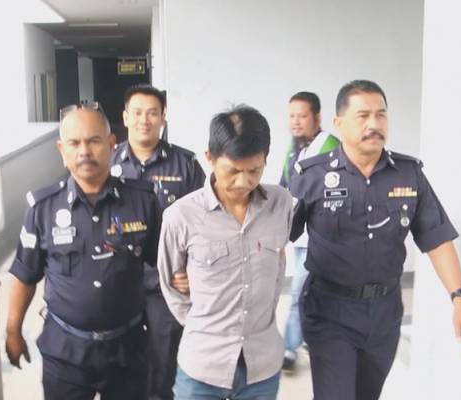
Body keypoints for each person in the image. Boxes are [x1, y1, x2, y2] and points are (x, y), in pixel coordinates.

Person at [290, 80, 461, 400]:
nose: (374, 124)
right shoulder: (313, 175)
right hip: (329, 311)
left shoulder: (408, 174)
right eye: (363, 115)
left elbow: (436, 238)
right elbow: (276, 235)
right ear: (338, 123)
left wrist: (460, 299)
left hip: (385, 313)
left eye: (381, 115)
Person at [5, 103, 161, 399]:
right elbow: (25, 275)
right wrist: (13, 331)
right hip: (65, 353)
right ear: (61, 150)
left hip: (128, 350)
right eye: (74, 143)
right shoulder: (42, 209)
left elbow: (165, 265)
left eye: (93, 141)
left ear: (112, 144)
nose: (84, 151)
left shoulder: (143, 201)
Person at [157, 105, 292, 400]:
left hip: (262, 367)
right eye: (232, 171)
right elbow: (170, 286)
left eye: (254, 171)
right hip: (203, 369)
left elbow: (278, 267)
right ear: (210, 157)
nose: (244, 182)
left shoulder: (281, 203)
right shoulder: (181, 216)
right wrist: (205, 326)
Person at [109, 84, 205, 400]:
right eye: (137, 113)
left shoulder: (185, 164)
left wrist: (192, 269)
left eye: (152, 113)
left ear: (163, 117)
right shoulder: (108, 163)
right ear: (125, 117)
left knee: (163, 363)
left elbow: (204, 223)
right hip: (119, 282)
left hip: (167, 283)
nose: (144, 120)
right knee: (121, 362)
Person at [279, 91, 340, 372]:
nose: (295, 121)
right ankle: (305, 339)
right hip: (300, 236)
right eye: (292, 116)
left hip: (322, 236)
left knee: (301, 293)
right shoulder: (294, 150)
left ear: (317, 117)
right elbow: (284, 188)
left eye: (302, 116)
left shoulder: (330, 146)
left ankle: (290, 348)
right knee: (308, 292)